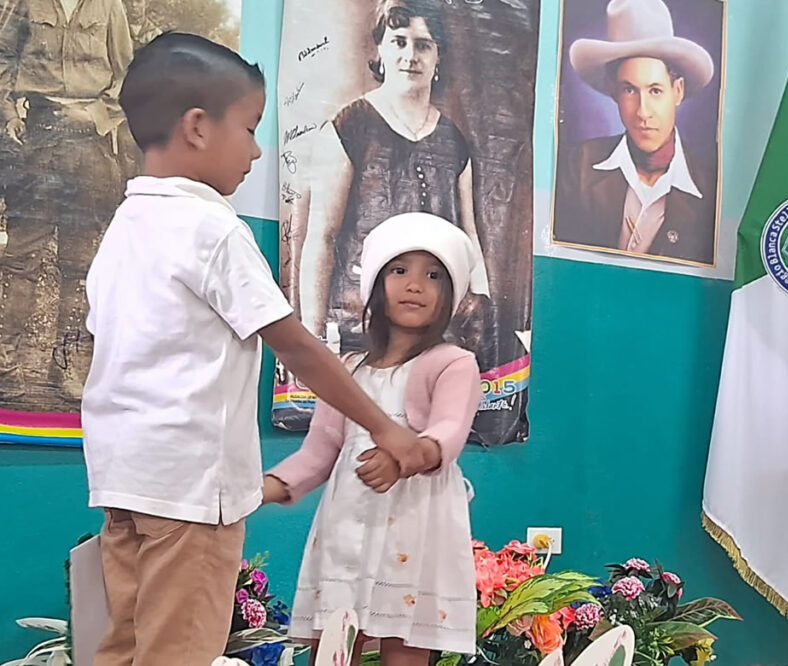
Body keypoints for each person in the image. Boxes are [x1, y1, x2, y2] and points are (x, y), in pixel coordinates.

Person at [82, 33, 430, 666]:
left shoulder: (125, 226)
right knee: (180, 652)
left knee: (125, 646)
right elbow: (296, 346)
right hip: (191, 488)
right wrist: (385, 427)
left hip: (125, 480)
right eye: (248, 129)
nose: (256, 149)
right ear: (197, 127)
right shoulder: (213, 227)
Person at [263, 212, 484, 666]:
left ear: (451, 294)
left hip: (416, 529)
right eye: (400, 270)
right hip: (346, 525)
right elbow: (319, 452)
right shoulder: (347, 370)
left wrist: (406, 458)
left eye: (433, 275)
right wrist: (262, 488)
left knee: (405, 642)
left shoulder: (454, 362)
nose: (415, 285)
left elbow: (448, 430)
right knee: (335, 641)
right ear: (376, 285)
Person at [297, 0, 490, 352]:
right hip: (360, 331)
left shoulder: (454, 141)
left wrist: (483, 311)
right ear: (381, 50)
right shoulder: (348, 128)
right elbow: (322, 239)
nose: (410, 56)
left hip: (437, 332)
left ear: (438, 57)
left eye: (423, 45)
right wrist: (313, 337)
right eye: (399, 42)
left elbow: (470, 236)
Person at [0, 0, 132, 406]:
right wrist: (8, 112)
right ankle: (5, 363)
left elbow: (127, 76)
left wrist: (96, 117)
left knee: (79, 265)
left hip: (88, 148)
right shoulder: (27, 3)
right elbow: (3, 56)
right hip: (36, 140)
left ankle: (66, 362)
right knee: (21, 259)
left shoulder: (109, 8)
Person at [553, 0, 718, 266]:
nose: (643, 112)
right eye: (629, 90)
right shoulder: (579, 166)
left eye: (655, 91)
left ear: (677, 91)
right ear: (614, 92)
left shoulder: (710, 186)